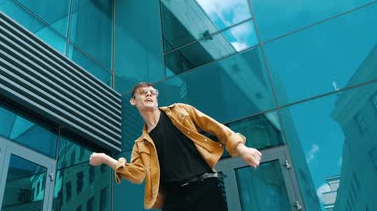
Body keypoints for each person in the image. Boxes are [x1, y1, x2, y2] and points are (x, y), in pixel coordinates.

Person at [89, 82, 262, 210]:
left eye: (152, 92)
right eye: (143, 93)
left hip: (204, 188)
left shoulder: (180, 111)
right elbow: (136, 175)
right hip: (173, 199)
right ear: (133, 101)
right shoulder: (140, 144)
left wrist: (242, 149)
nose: (149, 95)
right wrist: (106, 159)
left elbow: (217, 128)